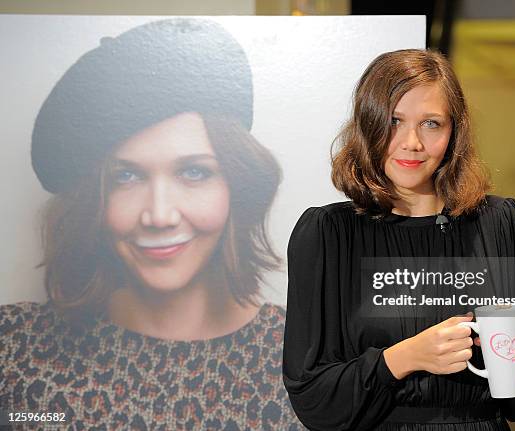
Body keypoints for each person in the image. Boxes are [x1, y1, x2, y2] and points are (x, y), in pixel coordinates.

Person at [0, 19, 303, 430]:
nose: (159, 215)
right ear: (93, 200)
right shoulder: (14, 349)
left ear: (238, 185)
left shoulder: (308, 357)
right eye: (125, 177)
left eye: (194, 173)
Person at [283, 49, 515, 430]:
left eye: (431, 124)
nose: (411, 142)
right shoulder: (327, 234)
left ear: (454, 132)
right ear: (367, 124)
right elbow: (313, 401)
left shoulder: (500, 224)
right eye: (394, 121)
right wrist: (404, 358)